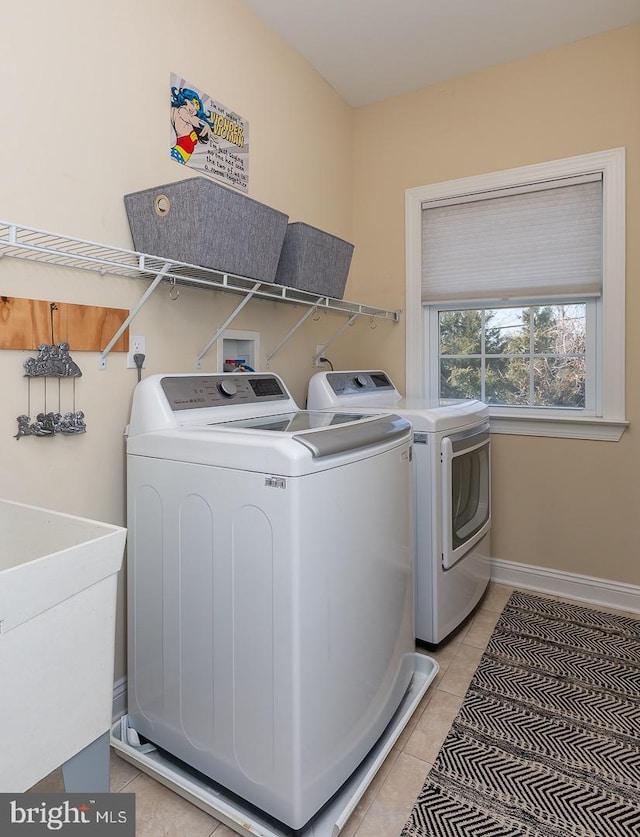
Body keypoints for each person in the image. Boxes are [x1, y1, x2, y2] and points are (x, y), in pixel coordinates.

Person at [170, 87, 213, 164]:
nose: (193, 109)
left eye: (196, 109)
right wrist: (203, 124)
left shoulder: (181, 113)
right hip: (179, 153)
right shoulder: (182, 110)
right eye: (192, 103)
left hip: (181, 155)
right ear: (184, 100)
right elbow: (191, 119)